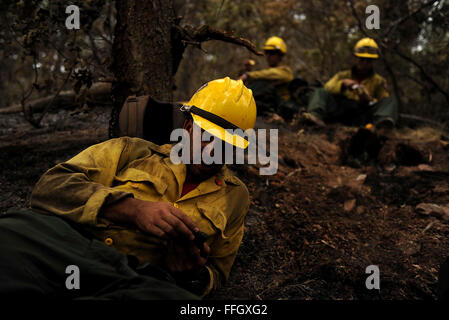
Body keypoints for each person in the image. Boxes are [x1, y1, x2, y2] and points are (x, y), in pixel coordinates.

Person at [0, 77, 256, 299]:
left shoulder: (235, 196)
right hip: (72, 249)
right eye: (208, 137)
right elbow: (50, 188)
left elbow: (217, 273)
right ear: (188, 128)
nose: (213, 152)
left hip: (139, 279)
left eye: (226, 145)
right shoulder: (129, 151)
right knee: (13, 231)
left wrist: (192, 276)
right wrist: (132, 209)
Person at [303, 38, 398, 129]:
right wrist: (343, 84)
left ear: (373, 61)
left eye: (368, 60)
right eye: (362, 59)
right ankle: (314, 118)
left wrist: (369, 99)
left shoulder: (379, 81)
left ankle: (382, 126)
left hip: (363, 113)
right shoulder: (342, 75)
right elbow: (327, 88)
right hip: (341, 109)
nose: (365, 63)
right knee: (319, 91)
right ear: (356, 58)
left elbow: (383, 103)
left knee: (390, 100)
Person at [239, 36, 294, 114]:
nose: (268, 56)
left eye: (272, 53)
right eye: (266, 52)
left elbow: (273, 74)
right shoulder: (267, 72)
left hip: (284, 108)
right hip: (270, 105)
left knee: (262, 85)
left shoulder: (285, 72)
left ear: (280, 55)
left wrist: (248, 75)